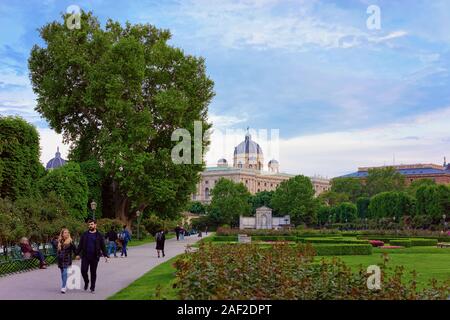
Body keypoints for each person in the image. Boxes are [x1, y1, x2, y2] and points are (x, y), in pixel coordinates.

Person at [75, 219, 109, 293]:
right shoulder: (85, 234)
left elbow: (103, 246)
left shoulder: (99, 235)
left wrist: (105, 256)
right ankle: (86, 281)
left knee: (93, 272)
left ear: (95, 225)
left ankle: (92, 287)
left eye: (91, 224)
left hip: (95, 257)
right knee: (83, 270)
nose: (90, 226)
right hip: (85, 256)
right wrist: (77, 254)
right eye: (89, 224)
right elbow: (80, 245)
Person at [57, 228, 77, 294]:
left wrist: (78, 255)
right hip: (60, 259)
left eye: (67, 232)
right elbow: (55, 247)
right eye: (65, 232)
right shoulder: (60, 241)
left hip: (67, 259)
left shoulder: (70, 241)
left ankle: (63, 286)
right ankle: (64, 284)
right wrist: (58, 242)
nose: (67, 233)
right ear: (62, 234)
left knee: (65, 272)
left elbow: (75, 249)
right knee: (62, 273)